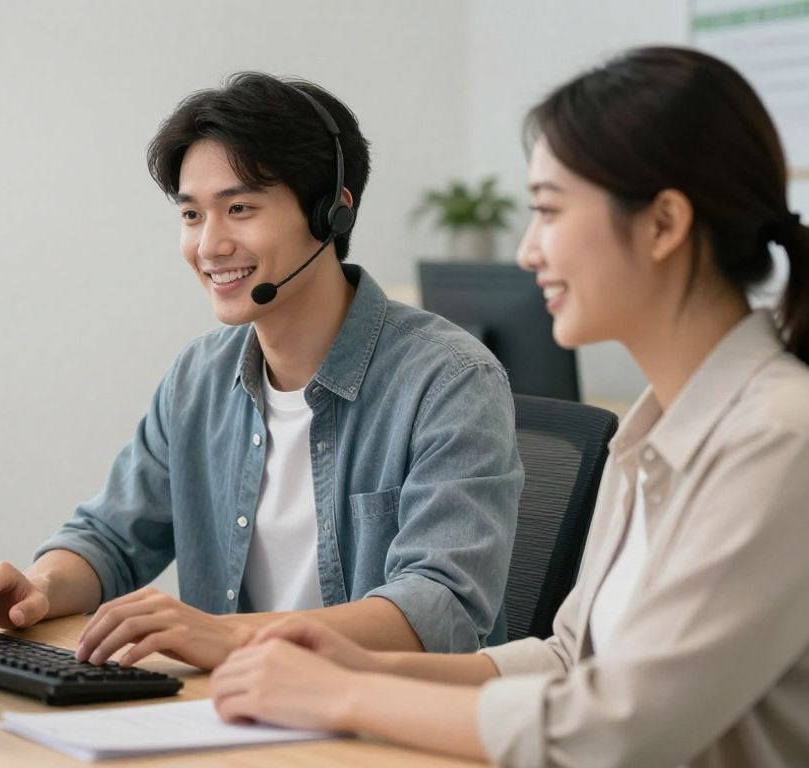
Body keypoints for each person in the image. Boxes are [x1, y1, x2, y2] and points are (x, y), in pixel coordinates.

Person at [210, 46, 809, 766]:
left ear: (663, 224)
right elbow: (570, 660)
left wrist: (341, 699)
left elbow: (613, 730)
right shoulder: (657, 430)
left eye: (549, 212)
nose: (527, 252)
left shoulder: (781, 439)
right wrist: (359, 664)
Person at [0, 72, 523, 670]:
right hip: (231, 716)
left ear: (332, 214)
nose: (209, 245)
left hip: (383, 728)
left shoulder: (449, 380)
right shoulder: (200, 377)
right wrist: (41, 588)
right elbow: (109, 537)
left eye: (239, 208)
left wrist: (231, 637)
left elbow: (439, 607)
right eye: (191, 216)